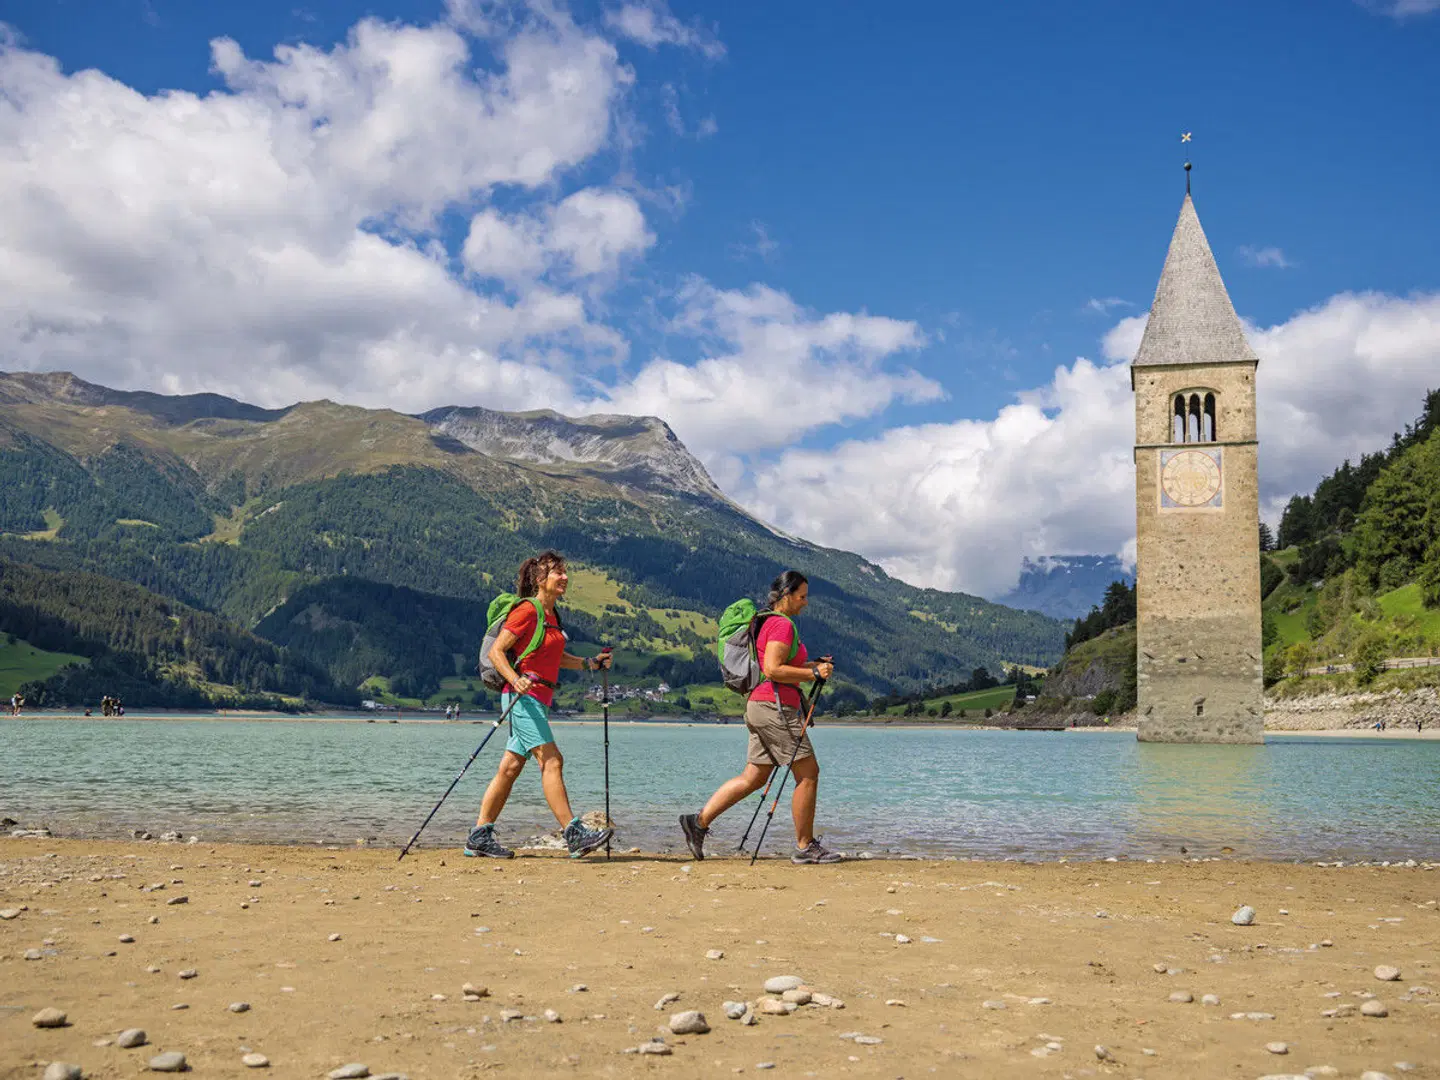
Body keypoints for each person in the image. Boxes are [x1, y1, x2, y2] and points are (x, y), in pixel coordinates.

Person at [680, 570, 841, 865]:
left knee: (753, 777)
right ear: (786, 595)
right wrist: (812, 673)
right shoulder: (782, 625)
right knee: (808, 772)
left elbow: (778, 665)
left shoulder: (767, 622)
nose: (806, 602)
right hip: (774, 708)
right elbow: (773, 669)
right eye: (802, 596)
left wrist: (810, 665)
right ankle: (805, 846)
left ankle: (697, 823)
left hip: (761, 705)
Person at [464, 551, 615, 860]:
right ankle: (574, 834)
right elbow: (497, 652)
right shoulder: (527, 611)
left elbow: (554, 656)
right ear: (539, 579)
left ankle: (479, 836)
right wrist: (514, 679)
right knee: (552, 761)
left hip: (538, 700)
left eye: (565, 571)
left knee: (510, 767)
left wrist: (590, 663)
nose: (565, 577)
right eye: (557, 572)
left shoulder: (551, 616)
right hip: (523, 698)